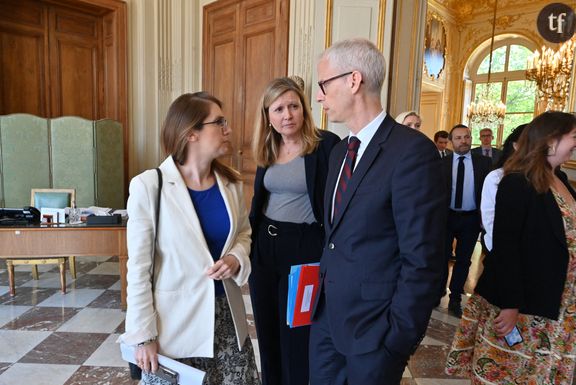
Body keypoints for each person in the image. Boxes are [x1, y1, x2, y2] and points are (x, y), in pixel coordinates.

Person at [310, 37, 447, 385]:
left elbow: (424, 259)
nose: (319, 96)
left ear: (353, 81)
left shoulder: (412, 151)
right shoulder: (340, 152)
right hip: (327, 322)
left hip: (376, 332)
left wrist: (397, 339)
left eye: (324, 84)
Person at [120, 92, 260, 385]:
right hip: (175, 327)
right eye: (219, 122)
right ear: (191, 133)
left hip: (227, 322)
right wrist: (143, 335)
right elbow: (138, 269)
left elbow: (245, 234)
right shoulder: (149, 186)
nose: (228, 129)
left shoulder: (231, 183)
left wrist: (236, 257)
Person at [446, 111, 576, 384]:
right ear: (551, 140)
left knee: (543, 372)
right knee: (512, 371)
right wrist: (510, 305)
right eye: (573, 136)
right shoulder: (517, 181)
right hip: (527, 299)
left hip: (561, 296)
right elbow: (507, 246)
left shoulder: (560, 178)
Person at [249, 77, 340, 385]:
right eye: (278, 109)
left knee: (297, 331)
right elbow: (260, 200)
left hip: (304, 247)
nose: (286, 115)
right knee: (267, 328)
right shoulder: (268, 146)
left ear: (304, 109)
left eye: (293, 106)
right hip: (265, 245)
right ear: (268, 116)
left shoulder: (325, 144)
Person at [442, 124, 491, 317]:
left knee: (463, 260)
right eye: (459, 138)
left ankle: (455, 297)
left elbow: (488, 193)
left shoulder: (483, 163)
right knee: (442, 257)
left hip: (470, 219)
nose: (464, 141)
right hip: (446, 217)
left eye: (467, 137)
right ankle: (438, 291)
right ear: (451, 141)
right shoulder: (443, 163)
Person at [480, 124, 527, 252]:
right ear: (516, 146)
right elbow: (490, 220)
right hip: (506, 251)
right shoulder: (496, 177)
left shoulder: (555, 177)